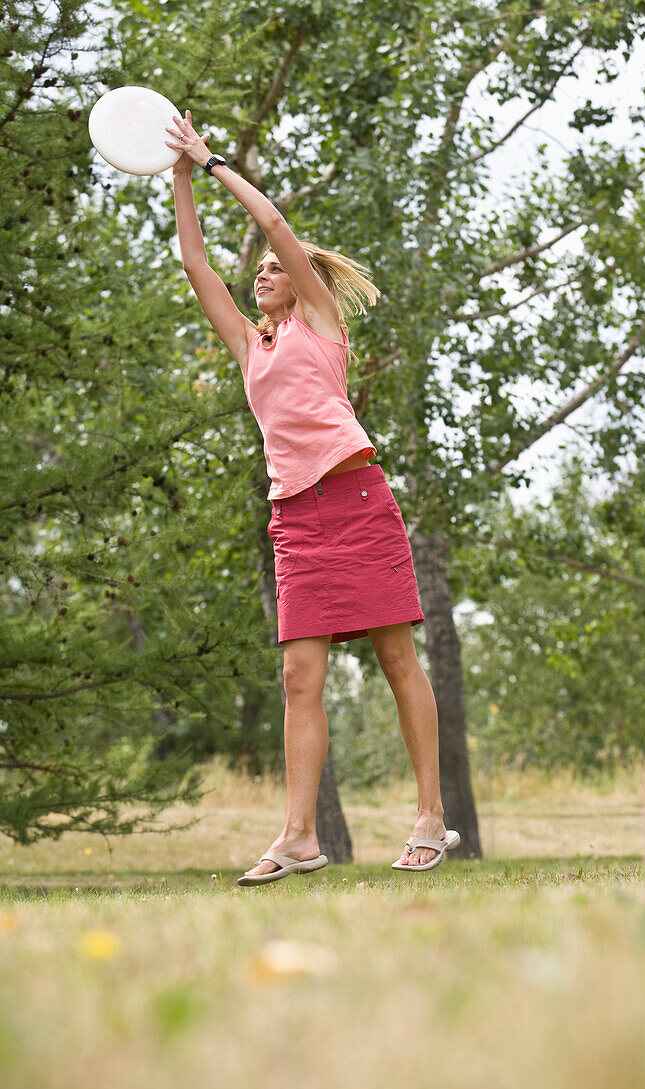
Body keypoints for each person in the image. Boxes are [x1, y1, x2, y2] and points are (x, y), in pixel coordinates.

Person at [166, 111, 460, 883]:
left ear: (301, 284)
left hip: (357, 500)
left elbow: (270, 218)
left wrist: (214, 158)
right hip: (295, 518)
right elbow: (196, 263)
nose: (261, 274)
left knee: (398, 658)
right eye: (256, 272)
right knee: (300, 676)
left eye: (272, 269)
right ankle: (298, 836)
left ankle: (431, 816)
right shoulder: (247, 347)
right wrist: (179, 176)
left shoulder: (320, 325)